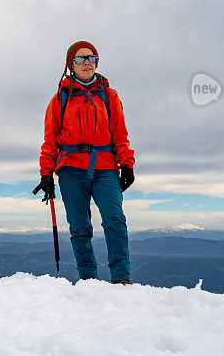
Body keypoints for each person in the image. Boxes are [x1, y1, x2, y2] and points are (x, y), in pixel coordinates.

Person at [35, 40, 136, 284]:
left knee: (115, 218)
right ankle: (89, 281)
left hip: (105, 166)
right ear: (71, 65)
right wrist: (46, 174)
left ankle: (121, 278)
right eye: (80, 58)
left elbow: (120, 134)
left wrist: (127, 164)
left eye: (90, 57)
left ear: (96, 62)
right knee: (79, 226)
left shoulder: (109, 96)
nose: (86, 62)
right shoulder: (59, 99)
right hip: (70, 169)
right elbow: (50, 141)